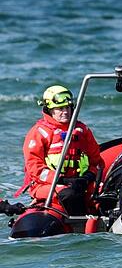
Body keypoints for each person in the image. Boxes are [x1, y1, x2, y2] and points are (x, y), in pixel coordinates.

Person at [20, 85, 102, 215]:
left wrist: (87, 178)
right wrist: (63, 180)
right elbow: (35, 169)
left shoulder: (82, 130)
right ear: (50, 110)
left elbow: (96, 161)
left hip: (80, 181)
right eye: (60, 108)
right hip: (47, 185)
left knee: (107, 193)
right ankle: (79, 226)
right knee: (70, 194)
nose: (65, 111)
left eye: (68, 107)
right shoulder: (39, 133)